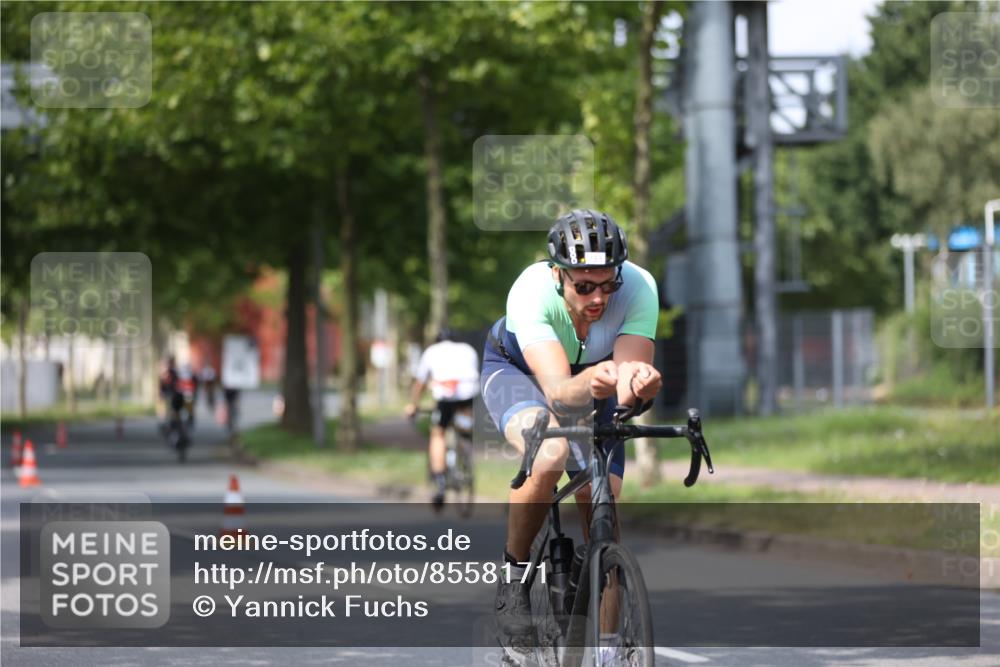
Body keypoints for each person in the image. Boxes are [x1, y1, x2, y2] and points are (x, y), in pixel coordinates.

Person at [481, 209, 662, 646]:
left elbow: (625, 390)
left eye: (607, 284)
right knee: (549, 453)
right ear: (558, 275)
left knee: (602, 502)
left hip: (592, 378)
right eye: (583, 286)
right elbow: (560, 394)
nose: (598, 298)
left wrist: (640, 388)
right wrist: (596, 381)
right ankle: (514, 575)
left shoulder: (640, 286)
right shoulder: (530, 292)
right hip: (521, 374)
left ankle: (609, 647)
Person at [404, 327, 480, 510]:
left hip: (445, 397)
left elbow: (420, 382)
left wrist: (413, 404)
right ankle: (465, 445)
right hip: (467, 395)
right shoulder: (468, 349)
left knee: (438, 434)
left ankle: (440, 482)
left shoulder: (432, 352)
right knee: (464, 427)